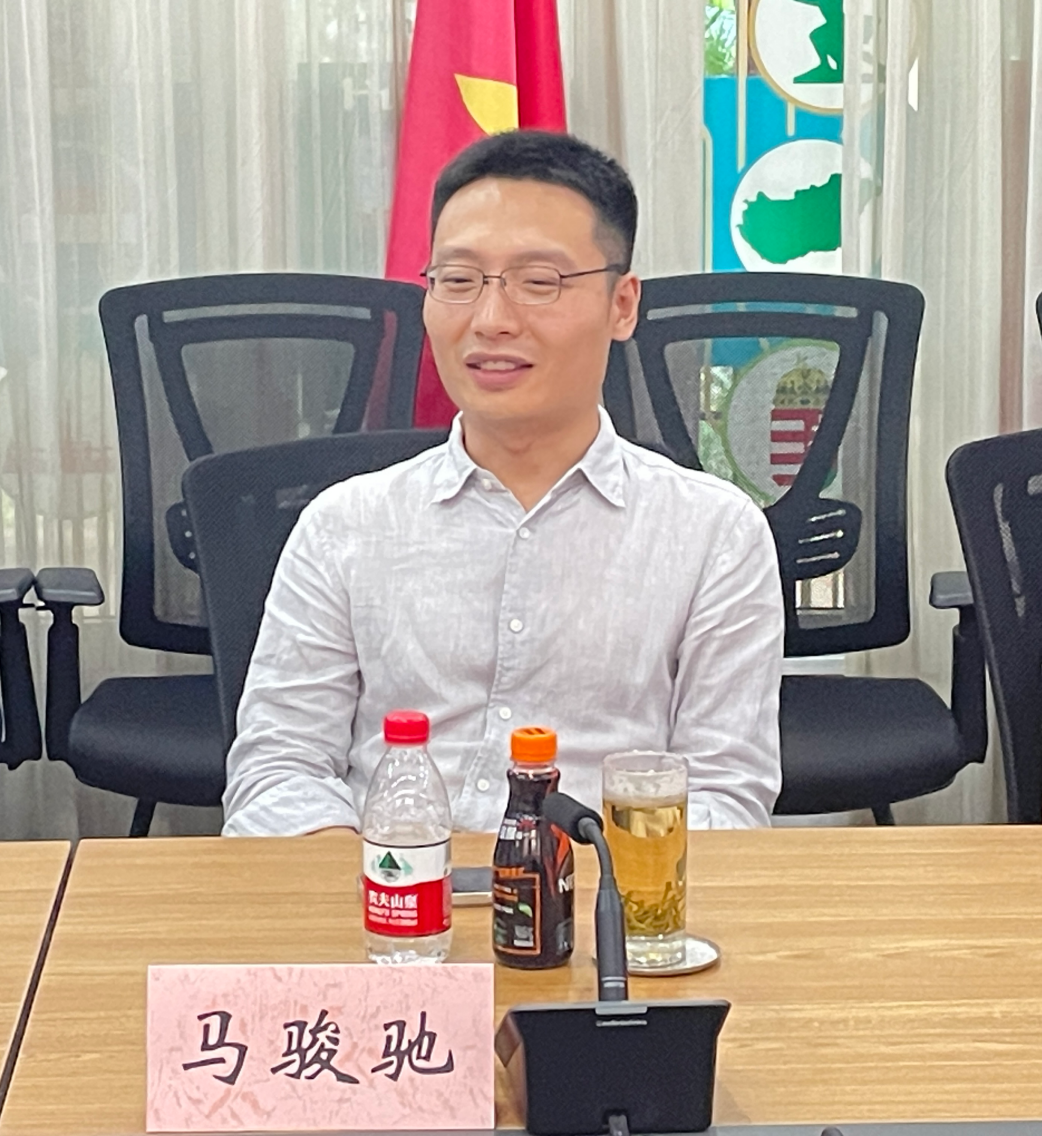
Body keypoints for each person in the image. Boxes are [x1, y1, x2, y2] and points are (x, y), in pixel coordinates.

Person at [222, 130, 784, 836]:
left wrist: (568, 882)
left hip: (606, 892)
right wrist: (382, 877)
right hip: (386, 888)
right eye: (458, 281)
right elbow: (277, 772)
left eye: (538, 282)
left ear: (621, 304)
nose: (490, 321)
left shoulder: (712, 534)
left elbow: (725, 800)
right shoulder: (346, 525)